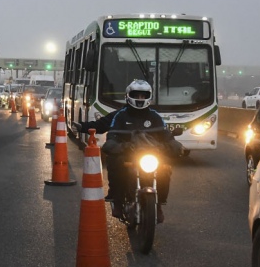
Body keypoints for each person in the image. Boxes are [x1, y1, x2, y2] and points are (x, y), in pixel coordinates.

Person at [74, 80, 184, 222]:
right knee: (115, 162)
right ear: (128, 96)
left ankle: (159, 203)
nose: (139, 99)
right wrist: (84, 128)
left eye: (143, 95)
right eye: (136, 95)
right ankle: (117, 199)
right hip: (128, 153)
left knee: (165, 167)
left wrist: (174, 146)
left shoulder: (155, 116)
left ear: (149, 97)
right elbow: (105, 129)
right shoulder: (120, 115)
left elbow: (166, 135)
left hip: (150, 154)